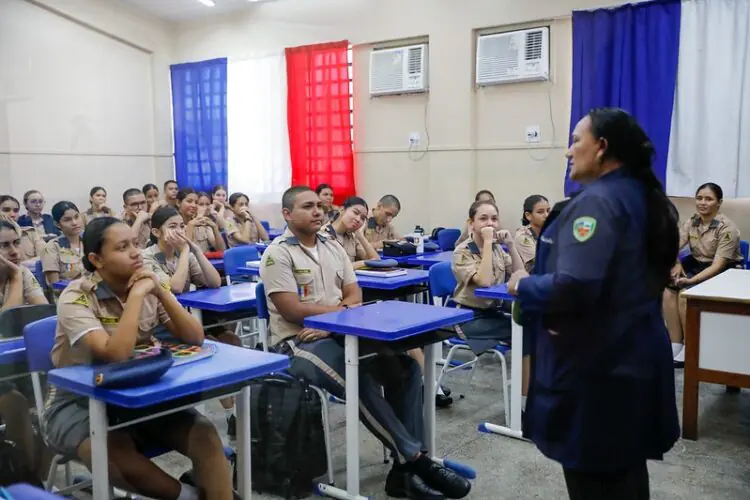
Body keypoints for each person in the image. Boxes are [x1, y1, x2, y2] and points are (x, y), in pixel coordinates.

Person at [507, 108, 679, 499]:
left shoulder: (597, 204)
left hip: (600, 369)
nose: (568, 151)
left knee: (597, 483)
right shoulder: (640, 195)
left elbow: (576, 285)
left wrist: (524, 285)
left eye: (575, 141)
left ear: (601, 147)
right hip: (630, 357)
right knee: (624, 479)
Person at [260, 186, 471, 500]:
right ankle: (416, 460)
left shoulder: (332, 247)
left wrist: (334, 319)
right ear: (287, 214)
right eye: (307, 206)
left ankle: (402, 475)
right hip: (296, 342)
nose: (317, 211)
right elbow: (292, 310)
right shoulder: (278, 254)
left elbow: (354, 293)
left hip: (338, 333)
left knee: (405, 367)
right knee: (357, 379)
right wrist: (338, 314)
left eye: (319, 205)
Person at [44, 217, 234, 500]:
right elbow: (116, 355)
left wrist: (159, 291)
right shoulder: (76, 297)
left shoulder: (147, 283)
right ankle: (189, 496)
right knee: (111, 452)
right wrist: (137, 295)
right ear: (96, 259)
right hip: (79, 401)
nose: (136, 253)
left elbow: (195, 337)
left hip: (139, 390)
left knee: (204, 435)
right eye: (123, 247)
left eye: (135, 244)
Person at [144, 206, 243, 439]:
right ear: (157, 232)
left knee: (232, 340)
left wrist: (196, 250)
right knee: (214, 349)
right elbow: (176, 287)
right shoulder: (146, 257)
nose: (180, 231)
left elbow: (214, 282)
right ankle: (230, 414)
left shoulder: (185, 253)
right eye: (172, 227)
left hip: (191, 319)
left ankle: (235, 412)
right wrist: (185, 251)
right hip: (161, 326)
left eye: (181, 226)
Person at [663, 182, 743, 366]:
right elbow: (673, 245)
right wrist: (677, 263)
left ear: (719, 202)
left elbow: (718, 265)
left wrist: (691, 281)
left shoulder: (727, 228)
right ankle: (676, 343)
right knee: (668, 291)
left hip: (724, 271)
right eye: (699, 198)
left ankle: (691, 346)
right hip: (698, 264)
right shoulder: (692, 222)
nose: (702, 203)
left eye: (709, 199)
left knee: (685, 295)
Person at [0, 219, 49, 481]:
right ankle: (29, 483)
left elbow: (43, 314)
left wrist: (19, 277)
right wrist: (17, 278)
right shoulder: (20, 274)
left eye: (16, 243)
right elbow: (4, 324)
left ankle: (35, 480)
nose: (14, 251)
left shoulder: (23, 273)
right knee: (16, 404)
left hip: (17, 363)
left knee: (56, 402)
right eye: (4, 246)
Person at [320, 196, 378, 269]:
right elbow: (333, 268)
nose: (358, 219)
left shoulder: (352, 237)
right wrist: (364, 263)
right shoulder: (322, 235)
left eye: (362, 218)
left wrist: (361, 236)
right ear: (342, 210)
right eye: (355, 212)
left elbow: (376, 261)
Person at [42, 201, 85, 287]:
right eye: (67, 220)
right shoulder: (52, 247)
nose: (74, 223)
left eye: (76, 217)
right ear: (57, 224)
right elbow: (54, 285)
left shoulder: (88, 241)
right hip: (68, 292)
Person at [177, 188, 226, 253]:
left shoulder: (203, 223)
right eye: (189, 201)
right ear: (178, 203)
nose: (194, 205)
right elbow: (185, 253)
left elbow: (222, 250)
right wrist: (191, 225)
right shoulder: (174, 225)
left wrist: (214, 227)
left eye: (196, 202)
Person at [0, 196, 45, 264]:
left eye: (16, 211)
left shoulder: (31, 233)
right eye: (6, 210)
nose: (12, 214)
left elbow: (45, 257)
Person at [514, 195, 551, 273]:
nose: (547, 215)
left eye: (548, 211)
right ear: (528, 216)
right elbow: (541, 262)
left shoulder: (549, 231)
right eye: (540, 212)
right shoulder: (522, 236)